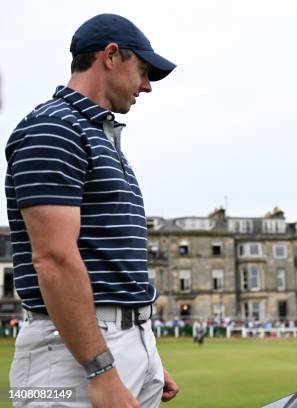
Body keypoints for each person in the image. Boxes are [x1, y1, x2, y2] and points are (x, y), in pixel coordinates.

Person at [6, 14, 179, 407]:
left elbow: (108, 259)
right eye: (144, 70)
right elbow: (54, 259)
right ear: (111, 56)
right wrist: (102, 368)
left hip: (118, 346)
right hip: (69, 359)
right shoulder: (53, 128)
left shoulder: (98, 135)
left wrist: (143, 351)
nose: (147, 86)